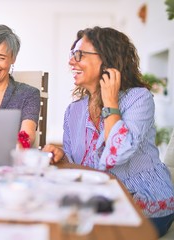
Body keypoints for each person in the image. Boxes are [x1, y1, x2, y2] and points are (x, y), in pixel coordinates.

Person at [43, 26, 174, 237]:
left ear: (106, 59)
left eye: (79, 55)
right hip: (99, 199)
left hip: (146, 204)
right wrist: (60, 155)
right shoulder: (74, 111)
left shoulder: (138, 99)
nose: (71, 61)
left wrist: (111, 103)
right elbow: (78, 162)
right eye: (72, 54)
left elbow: (117, 153)